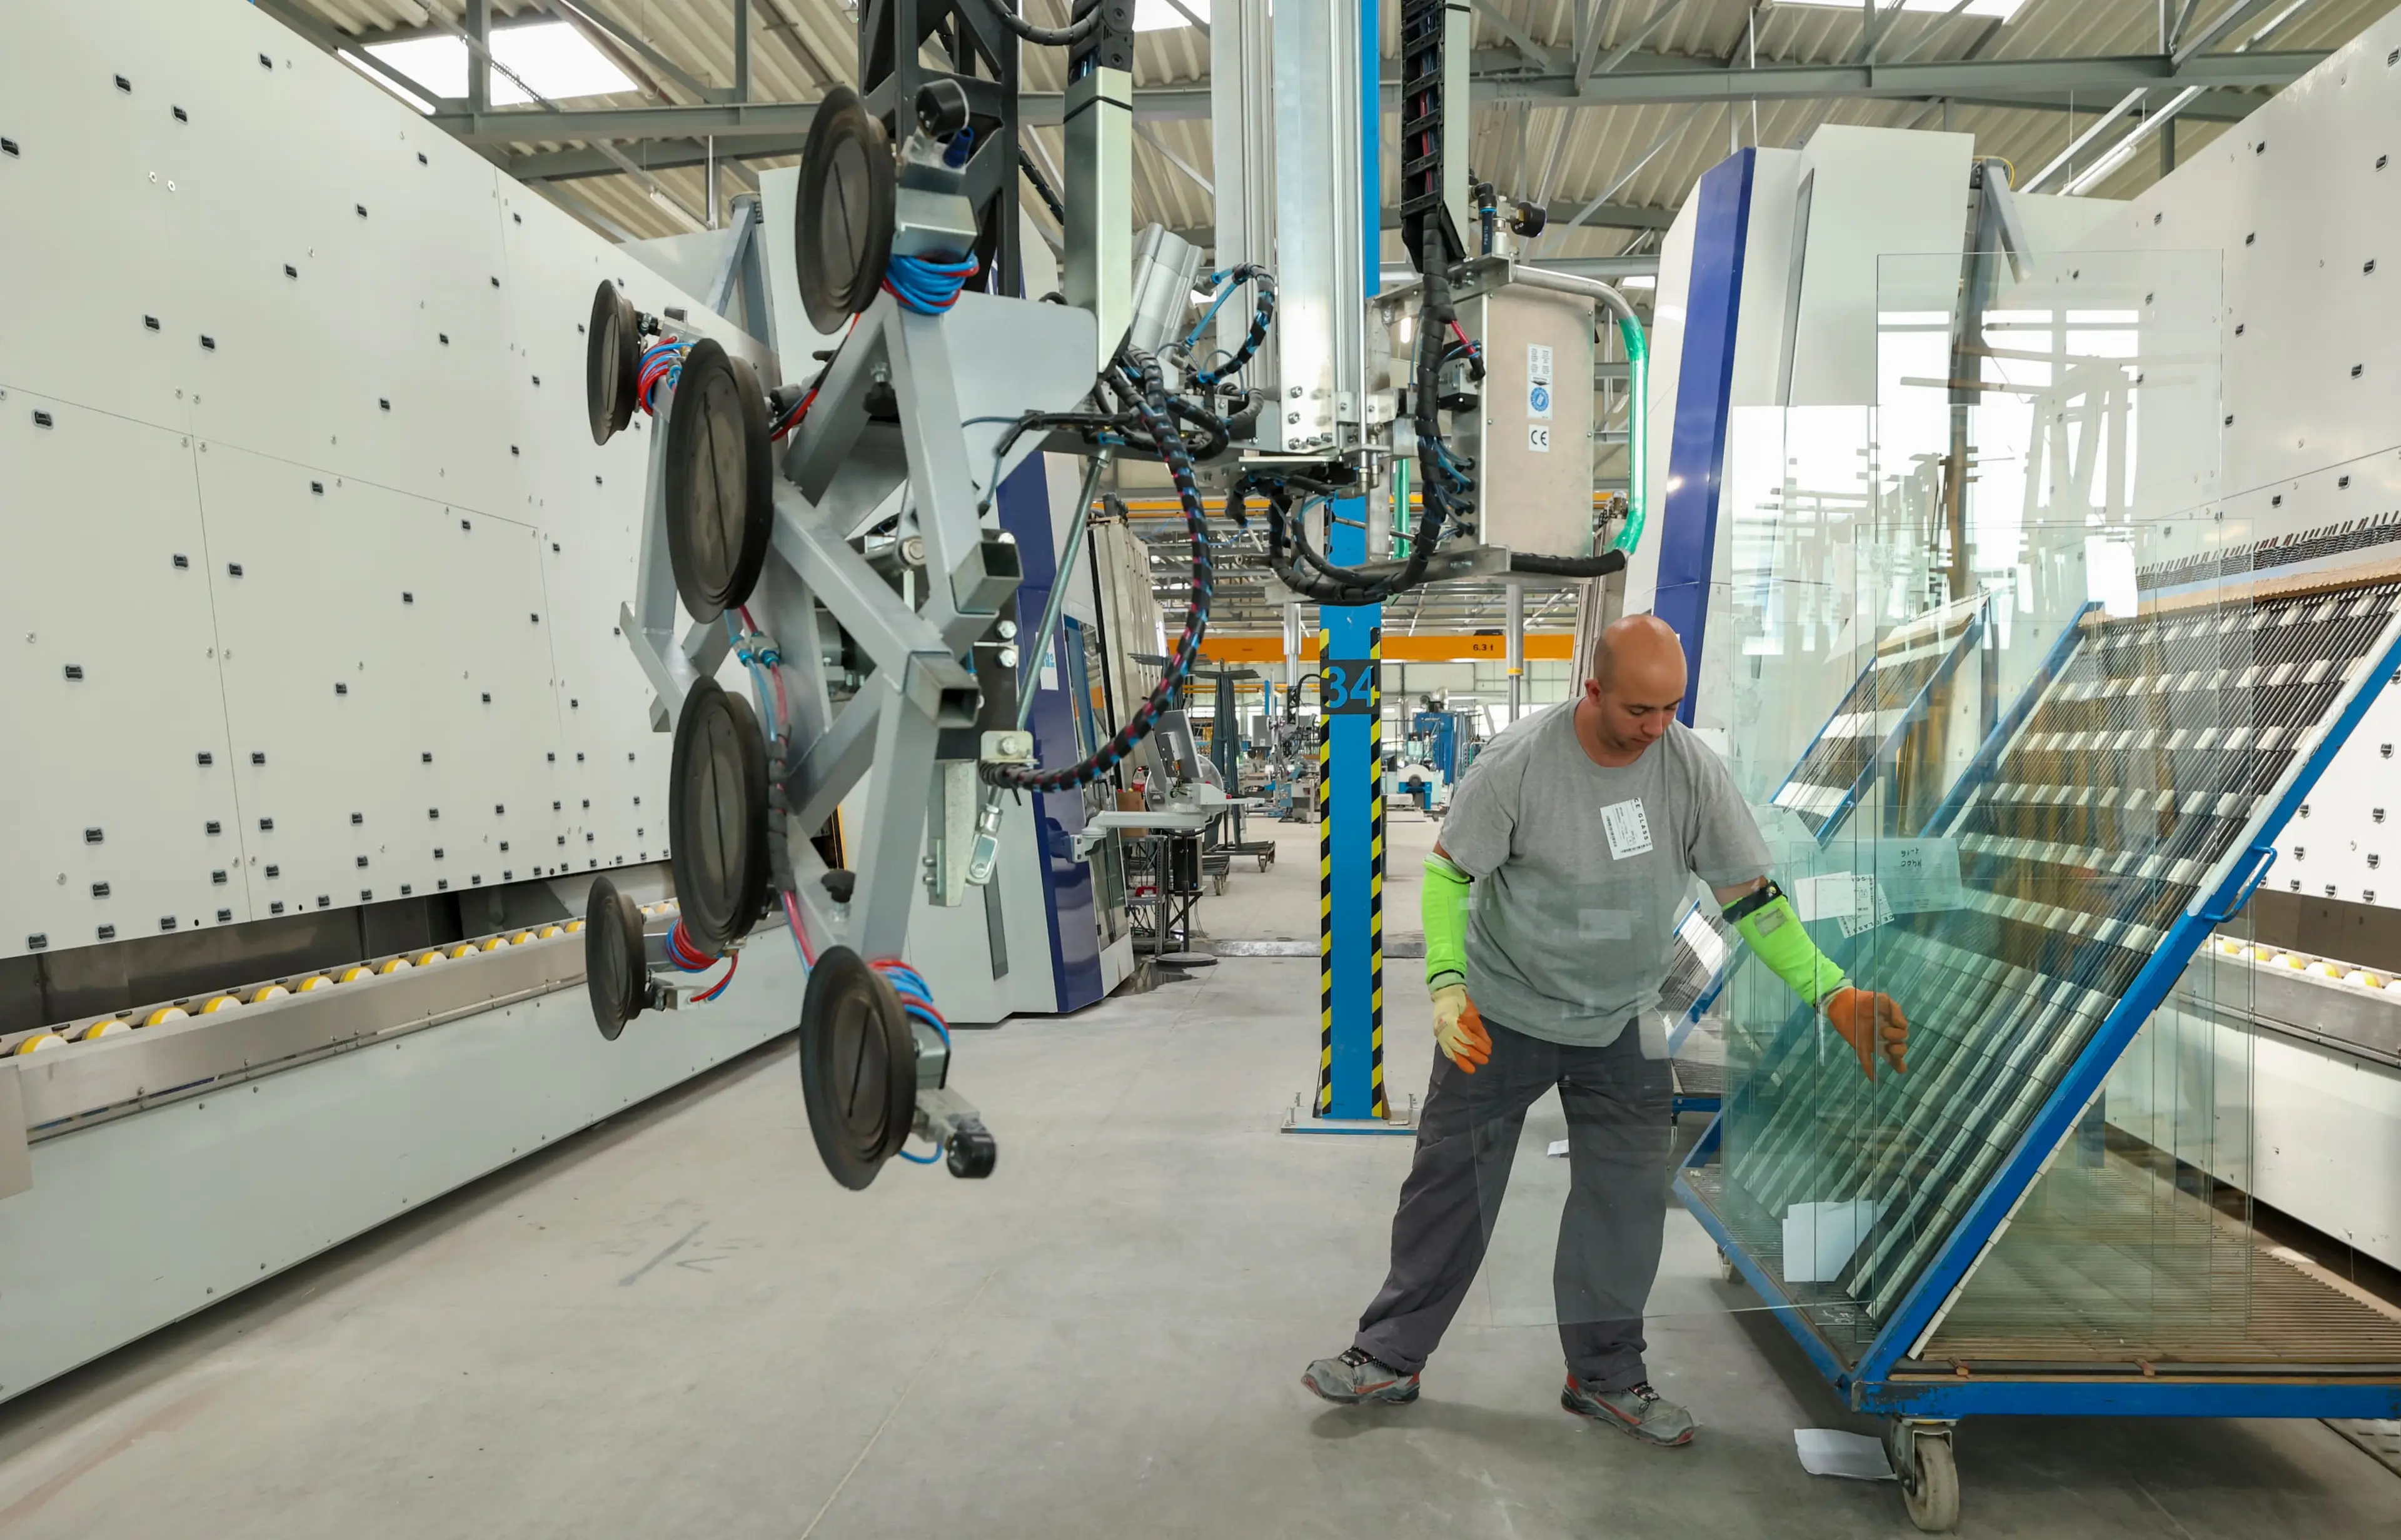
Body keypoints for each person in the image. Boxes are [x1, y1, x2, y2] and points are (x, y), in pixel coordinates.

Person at [1302, 615, 1908, 1447]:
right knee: (1450, 1188)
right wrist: (1446, 987)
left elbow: (1749, 895)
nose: (1656, 728)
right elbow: (1446, 874)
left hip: (1620, 1015)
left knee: (1623, 1204)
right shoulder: (1519, 763)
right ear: (1593, 691)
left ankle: (1607, 1375)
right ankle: (1390, 1353)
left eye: (1670, 709)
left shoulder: (1689, 768)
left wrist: (1831, 992)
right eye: (1638, 711)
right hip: (1502, 1011)